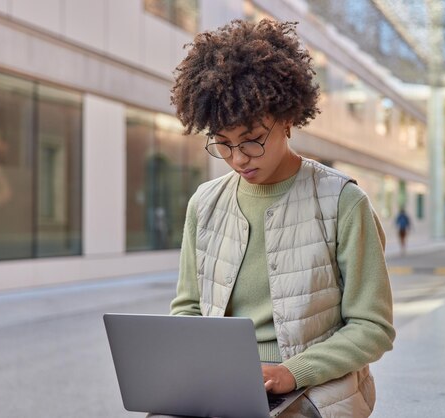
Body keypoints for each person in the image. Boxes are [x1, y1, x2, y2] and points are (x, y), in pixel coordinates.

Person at [158, 19, 395, 418]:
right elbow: (188, 310)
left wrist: (293, 372)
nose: (237, 158)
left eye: (251, 140)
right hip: (221, 383)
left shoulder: (343, 201)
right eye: (223, 143)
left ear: (287, 119)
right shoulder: (204, 203)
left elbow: (373, 327)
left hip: (315, 388)